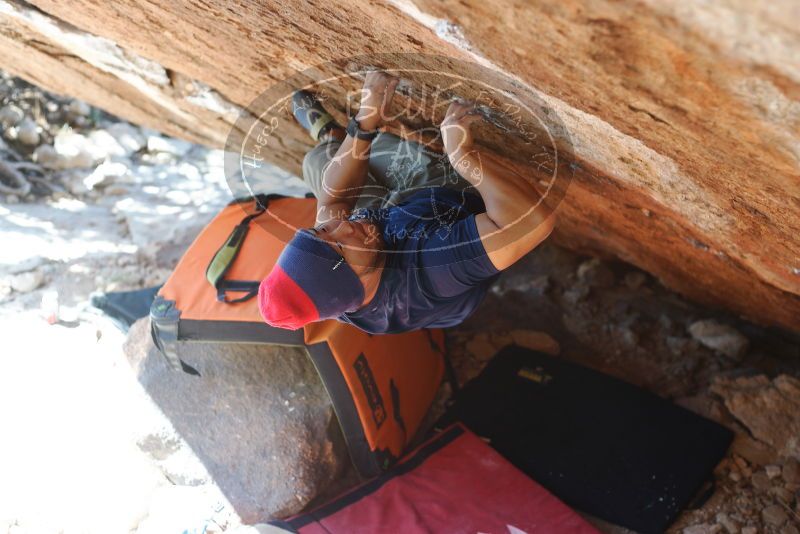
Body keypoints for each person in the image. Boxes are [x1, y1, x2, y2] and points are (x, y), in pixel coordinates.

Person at [257, 71, 555, 334]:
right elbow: (531, 222)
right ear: (356, 286)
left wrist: (364, 122)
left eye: (320, 232)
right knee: (353, 164)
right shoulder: (432, 274)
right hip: (446, 204)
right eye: (340, 245)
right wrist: (462, 155)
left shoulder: (336, 277)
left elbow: (334, 201)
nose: (341, 226)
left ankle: (330, 136)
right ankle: (337, 141)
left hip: (392, 221)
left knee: (317, 164)